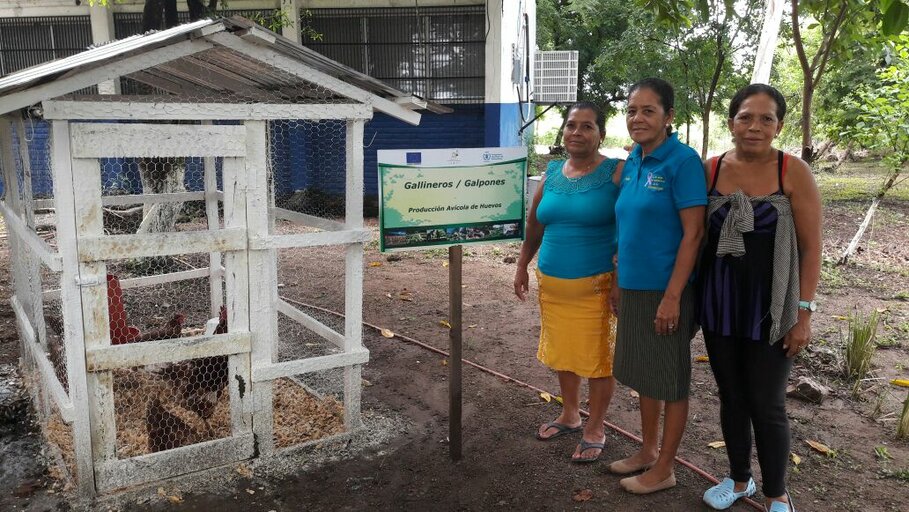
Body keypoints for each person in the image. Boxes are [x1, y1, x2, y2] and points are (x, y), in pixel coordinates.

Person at [698, 84, 821, 512]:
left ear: (779, 126)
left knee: (767, 405)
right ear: (732, 122)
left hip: (772, 309)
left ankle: (777, 493)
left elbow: (811, 247)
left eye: (766, 118)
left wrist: (802, 314)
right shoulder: (711, 170)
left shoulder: (793, 171)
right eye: (746, 117)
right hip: (720, 305)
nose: (755, 126)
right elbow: (691, 234)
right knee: (731, 398)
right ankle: (738, 480)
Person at [608, 78, 706, 494]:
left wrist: (672, 297)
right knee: (644, 374)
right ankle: (647, 451)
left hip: (667, 290)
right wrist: (617, 280)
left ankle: (665, 468)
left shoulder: (681, 162)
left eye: (648, 110)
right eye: (632, 110)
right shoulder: (633, 159)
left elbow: (694, 234)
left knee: (669, 378)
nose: (638, 118)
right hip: (632, 286)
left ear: (669, 117)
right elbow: (625, 225)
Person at [514, 101, 624, 463]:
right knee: (563, 352)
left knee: (598, 359)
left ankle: (596, 427)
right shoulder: (551, 173)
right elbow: (535, 224)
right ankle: (571, 414)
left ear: (601, 134)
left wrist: (621, 276)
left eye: (587, 126)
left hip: (596, 287)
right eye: (571, 125)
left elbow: (633, 226)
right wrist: (521, 265)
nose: (577, 132)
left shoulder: (616, 173)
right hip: (552, 285)